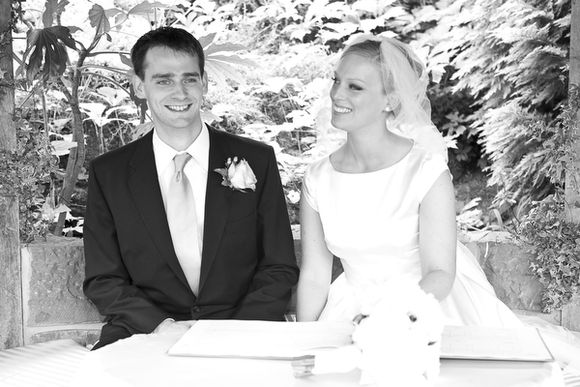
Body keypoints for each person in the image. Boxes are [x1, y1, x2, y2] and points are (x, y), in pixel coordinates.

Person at [83, 27, 299, 349]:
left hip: (241, 328)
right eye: (163, 80)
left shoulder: (257, 159)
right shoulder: (109, 173)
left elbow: (278, 264)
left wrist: (235, 334)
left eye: (190, 78)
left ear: (205, 83)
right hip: (145, 331)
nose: (180, 92)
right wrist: (161, 327)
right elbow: (103, 278)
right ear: (139, 86)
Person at [296, 34, 525, 326]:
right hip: (350, 310)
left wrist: (386, 320)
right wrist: (304, 339)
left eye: (355, 87)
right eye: (336, 81)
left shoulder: (426, 171)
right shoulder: (317, 178)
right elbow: (315, 276)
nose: (337, 94)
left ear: (390, 100)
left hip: (428, 306)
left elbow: (440, 273)